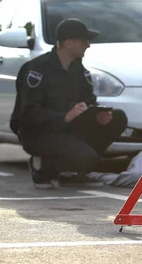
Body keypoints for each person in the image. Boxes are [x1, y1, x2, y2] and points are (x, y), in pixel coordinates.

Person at [10, 18, 128, 189]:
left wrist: (98, 116)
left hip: (68, 129)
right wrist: (64, 117)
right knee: (86, 156)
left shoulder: (78, 70)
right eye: (84, 41)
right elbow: (28, 115)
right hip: (39, 132)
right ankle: (42, 169)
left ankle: (73, 173)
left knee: (118, 118)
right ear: (68, 43)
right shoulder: (36, 70)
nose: (88, 45)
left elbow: (89, 101)